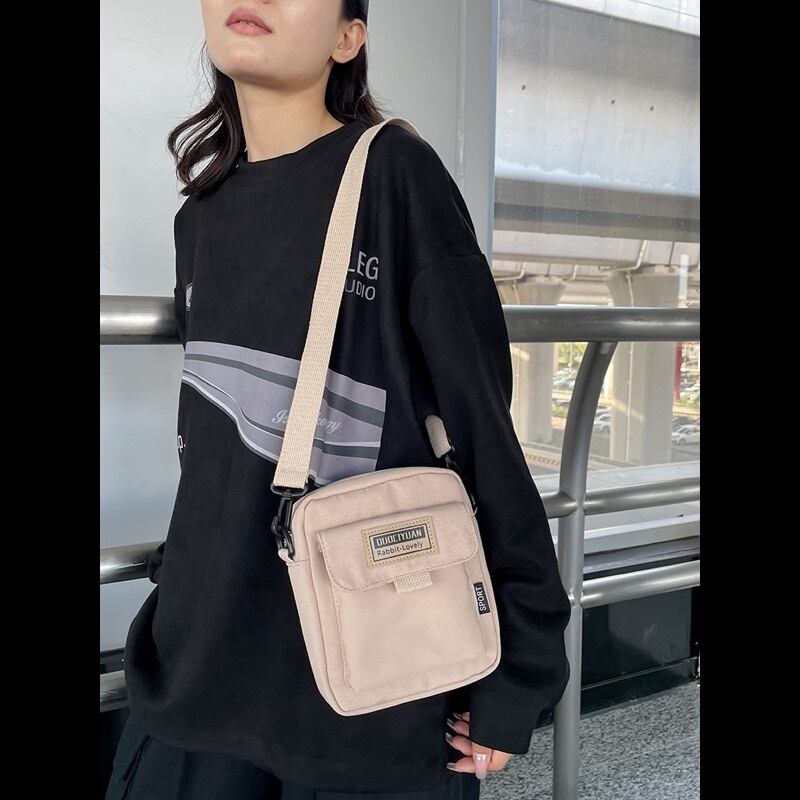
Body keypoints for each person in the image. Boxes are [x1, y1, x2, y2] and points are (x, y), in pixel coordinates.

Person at [105, 1, 572, 798]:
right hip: (199, 665)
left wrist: (523, 663)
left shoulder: (394, 175)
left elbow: (481, 423)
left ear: (348, 38)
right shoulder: (202, 217)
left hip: (372, 680)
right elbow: (213, 446)